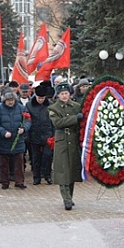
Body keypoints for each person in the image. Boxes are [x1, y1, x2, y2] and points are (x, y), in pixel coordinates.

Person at [48, 82, 83, 211]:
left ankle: (70, 196)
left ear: (70, 94)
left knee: (72, 170)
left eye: (66, 93)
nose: (64, 96)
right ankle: (66, 199)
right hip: (62, 141)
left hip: (73, 140)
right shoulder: (54, 108)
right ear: (58, 95)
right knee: (63, 171)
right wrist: (75, 118)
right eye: (62, 94)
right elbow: (58, 123)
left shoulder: (76, 106)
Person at [0, 89, 31, 189]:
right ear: (4, 100)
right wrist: (3, 132)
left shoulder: (21, 108)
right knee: (3, 162)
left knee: (19, 162)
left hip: (18, 140)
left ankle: (19, 181)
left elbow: (28, 120)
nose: (10, 102)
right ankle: (5, 181)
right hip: (4, 140)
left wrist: (24, 128)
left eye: (12, 100)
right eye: (8, 100)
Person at [26, 85, 54, 185]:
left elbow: (53, 121)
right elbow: (27, 120)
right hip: (34, 135)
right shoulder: (29, 105)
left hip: (47, 135)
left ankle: (47, 175)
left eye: (43, 98)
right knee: (35, 157)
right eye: (39, 98)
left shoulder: (50, 105)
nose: (41, 100)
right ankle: (36, 177)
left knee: (48, 156)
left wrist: (53, 134)